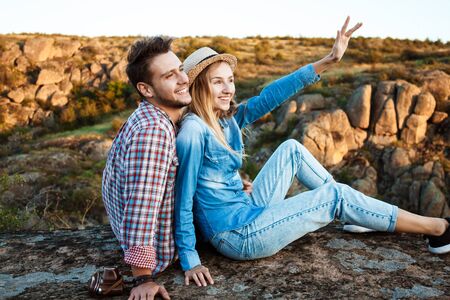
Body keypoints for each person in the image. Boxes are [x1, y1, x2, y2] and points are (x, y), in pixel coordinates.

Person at [174, 17, 450, 288]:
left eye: (230, 80)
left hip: (247, 210)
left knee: (291, 149)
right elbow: (183, 198)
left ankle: (359, 212)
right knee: (335, 194)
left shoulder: (226, 118)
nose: (228, 89)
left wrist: (329, 60)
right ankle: (438, 229)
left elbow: (270, 96)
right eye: (217, 82)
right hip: (237, 235)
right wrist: (190, 258)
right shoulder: (194, 131)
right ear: (199, 87)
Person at [102, 36, 191, 300]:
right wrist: (143, 278)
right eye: (169, 76)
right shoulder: (153, 131)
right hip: (161, 254)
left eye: (181, 70)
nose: (183, 79)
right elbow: (141, 207)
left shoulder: (151, 116)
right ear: (147, 89)